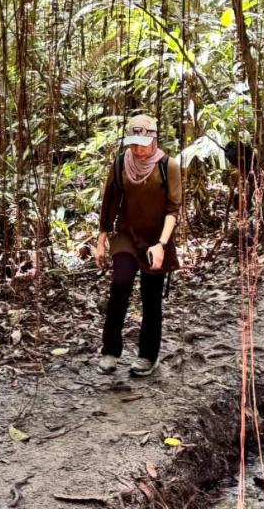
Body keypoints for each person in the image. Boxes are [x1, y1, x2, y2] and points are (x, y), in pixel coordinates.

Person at [95, 114, 183, 377]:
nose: (138, 149)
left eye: (142, 144)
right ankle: (110, 351)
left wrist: (161, 245)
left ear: (154, 140)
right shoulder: (121, 163)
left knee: (150, 296)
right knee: (120, 284)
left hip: (156, 239)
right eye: (133, 144)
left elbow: (173, 209)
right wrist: (101, 240)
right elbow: (110, 203)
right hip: (127, 235)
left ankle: (148, 355)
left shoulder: (168, 166)